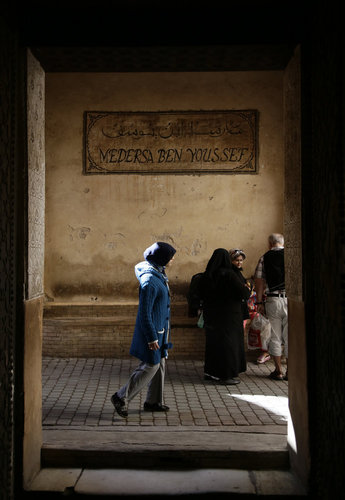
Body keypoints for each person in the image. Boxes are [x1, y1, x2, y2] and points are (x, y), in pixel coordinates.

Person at [110, 241, 176, 418]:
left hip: (161, 330)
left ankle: (154, 401)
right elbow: (144, 313)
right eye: (171, 257)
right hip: (153, 332)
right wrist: (151, 337)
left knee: (160, 364)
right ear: (162, 258)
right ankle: (121, 397)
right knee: (151, 365)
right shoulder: (150, 281)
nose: (173, 259)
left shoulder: (159, 273)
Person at [199, 248, 251, 385]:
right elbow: (244, 293)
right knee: (229, 345)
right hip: (229, 316)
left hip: (212, 315)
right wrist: (247, 288)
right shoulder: (229, 274)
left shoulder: (207, 275)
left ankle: (210, 372)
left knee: (213, 344)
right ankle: (226, 375)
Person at [254, 233, 288, 381]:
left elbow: (259, 281)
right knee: (289, 337)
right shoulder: (291, 255)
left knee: (275, 336)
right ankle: (291, 372)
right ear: (282, 243)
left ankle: (279, 371)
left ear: (270, 244)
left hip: (273, 300)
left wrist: (259, 302)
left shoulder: (264, 257)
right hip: (291, 300)